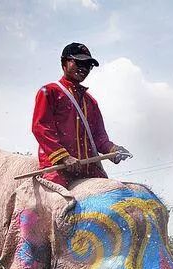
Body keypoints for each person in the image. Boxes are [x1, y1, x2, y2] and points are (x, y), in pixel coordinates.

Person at [32, 42, 129, 187]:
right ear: (64, 63)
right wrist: (63, 157)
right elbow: (40, 128)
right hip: (59, 168)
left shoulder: (91, 102)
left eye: (88, 65)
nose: (83, 68)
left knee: (119, 194)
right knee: (45, 205)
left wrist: (113, 149)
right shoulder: (50, 92)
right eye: (78, 62)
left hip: (89, 169)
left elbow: (99, 137)